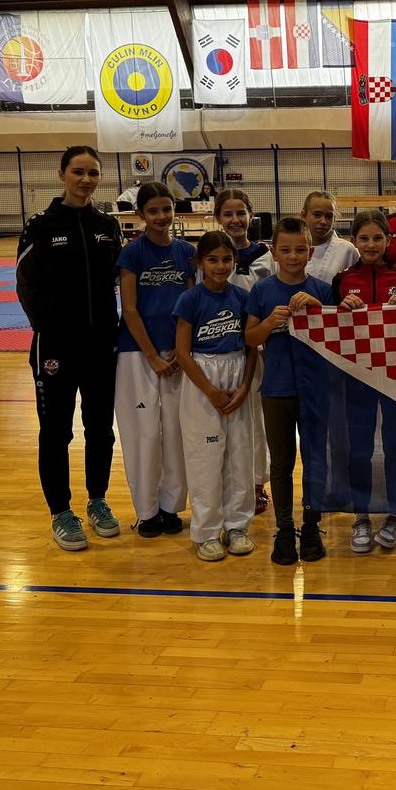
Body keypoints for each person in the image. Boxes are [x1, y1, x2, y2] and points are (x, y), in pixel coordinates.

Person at [15, 145, 124, 552]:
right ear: (62, 174)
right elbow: (25, 282)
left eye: (93, 173)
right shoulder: (41, 225)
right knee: (56, 432)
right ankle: (60, 511)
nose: (86, 180)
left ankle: (97, 500)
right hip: (55, 347)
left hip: (102, 345)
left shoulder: (107, 225)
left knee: (100, 429)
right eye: (78, 171)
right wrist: (47, 327)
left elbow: (119, 280)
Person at [245, 217, 337, 565]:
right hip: (277, 389)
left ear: (310, 253)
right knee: (281, 464)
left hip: (315, 390)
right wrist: (270, 323)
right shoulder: (262, 291)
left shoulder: (322, 290)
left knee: (315, 460)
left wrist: (317, 309)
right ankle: (284, 529)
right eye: (286, 250)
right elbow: (250, 339)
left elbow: (337, 339)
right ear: (274, 253)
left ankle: (311, 526)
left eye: (300, 250)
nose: (293, 256)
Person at [114, 182, 196, 539]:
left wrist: (181, 349)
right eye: (153, 211)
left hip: (177, 353)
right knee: (143, 433)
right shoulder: (132, 253)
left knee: (176, 432)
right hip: (137, 353)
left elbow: (191, 305)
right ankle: (146, 511)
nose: (161, 217)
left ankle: (170, 506)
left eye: (167, 209)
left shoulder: (187, 252)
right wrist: (150, 354)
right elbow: (130, 309)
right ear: (141, 215)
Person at [331, 210, 396, 554]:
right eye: (363, 238)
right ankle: (361, 515)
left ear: (388, 240)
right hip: (357, 377)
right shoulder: (342, 280)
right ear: (353, 241)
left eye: (377, 238)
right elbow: (331, 328)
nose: (370, 244)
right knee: (359, 448)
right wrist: (341, 308)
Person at [173, 230, 258, 562]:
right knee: (205, 459)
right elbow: (182, 352)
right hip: (202, 378)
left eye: (226, 259)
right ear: (199, 263)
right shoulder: (190, 300)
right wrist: (209, 391)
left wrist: (245, 386)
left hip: (237, 374)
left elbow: (251, 347)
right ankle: (206, 531)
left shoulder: (243, 297)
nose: (220, 266)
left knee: (240, 457)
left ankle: (237, 526)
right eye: (212, 260)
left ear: (234, 261)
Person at [216, 187, 274, 514]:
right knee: (221, 418)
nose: (235, 219)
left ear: (251, 216)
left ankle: (256, 482)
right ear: (218, 218)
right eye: (228, 214)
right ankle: (225, 482)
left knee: (254, 417)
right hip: (218, 349)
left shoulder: (265, 256)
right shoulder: (212, 254)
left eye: (241, 213)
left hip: (256, 347)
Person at [302, 190, 359, 286]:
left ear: (334, 219)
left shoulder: (347, 250)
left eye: (329, 216)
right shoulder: (290, 249)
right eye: (317, 215)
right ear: (303, 215)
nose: (323, 221)